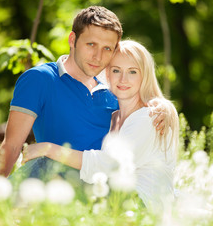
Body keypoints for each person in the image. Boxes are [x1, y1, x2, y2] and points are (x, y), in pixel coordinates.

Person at [0, 6, 167, 182]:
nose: (98, 56)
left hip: (101, 191)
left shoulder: (116, 88)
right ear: (72, 40)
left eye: (107, 48)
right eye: (91, 44)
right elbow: (11, 146)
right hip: (52, 184)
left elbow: (141, 116)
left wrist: (164, 108)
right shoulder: (41, 79)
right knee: (44, 163)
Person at [22, 40, 179, 210]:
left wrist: (48, 148)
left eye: (132, 72)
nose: (123, 79)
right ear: (108, 74)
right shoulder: (116, 117)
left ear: (145, 76)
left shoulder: (150, 116)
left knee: (48, 165)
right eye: (116, 70)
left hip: (139, 205)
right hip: (117, 197)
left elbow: (108, 165)